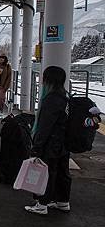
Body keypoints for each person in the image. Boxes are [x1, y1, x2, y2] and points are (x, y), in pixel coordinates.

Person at [25, 66, 71, 215]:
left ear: (48, 79)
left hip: (52, 143)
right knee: (62, 171)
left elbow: (45, 126)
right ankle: (63, 201)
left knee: (47, 172)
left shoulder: (51, 99)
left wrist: (37, 146)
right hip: (63, 142)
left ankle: (42, 204)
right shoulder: (64, 96)